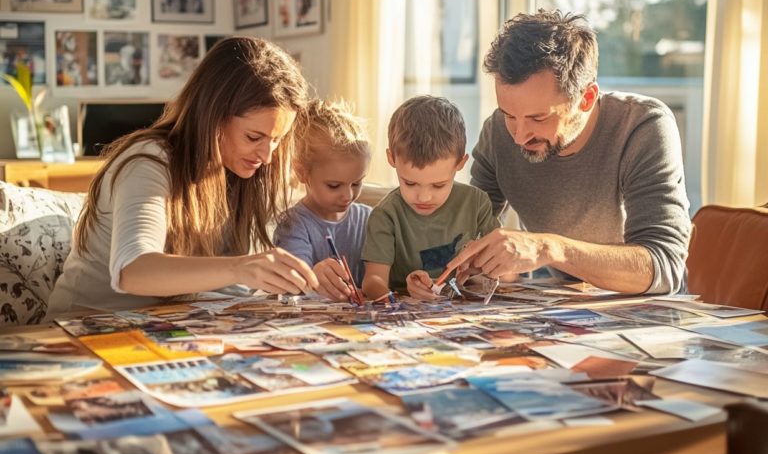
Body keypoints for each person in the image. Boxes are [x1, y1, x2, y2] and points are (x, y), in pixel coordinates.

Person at [48, 36, 319, 316]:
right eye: (254, 137)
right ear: (213, 115)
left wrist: (313, 273)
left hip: (174, 328)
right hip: (85, 327)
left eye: (277, 140)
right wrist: (240, 268)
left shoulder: (244, 170)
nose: (266, 156)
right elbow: (133, 271)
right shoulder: (148, 162)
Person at [447, 10, 691, 295]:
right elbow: (472, 237)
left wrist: (549, 248)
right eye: (509, 114)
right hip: (563, 311)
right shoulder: (498, 133)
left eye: (539, 118)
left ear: (586, 99)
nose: (519, 135)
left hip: (648, 316)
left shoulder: (642, 128)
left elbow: (664, 267)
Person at [361, 96, 499, 301]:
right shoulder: (386, 216)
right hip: (408, 315)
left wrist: (481, 267)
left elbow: (506, 272)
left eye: (438, 185)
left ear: (460, 163)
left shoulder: (477, 203)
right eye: (410, 183)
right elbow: (373, 281)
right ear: (392, 159)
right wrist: (394, 298)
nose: (424, 197)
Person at [273, 100, 372, 301]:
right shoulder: (293, 225)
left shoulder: (371, 219)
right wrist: (312, 277)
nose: (348, 196)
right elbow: (290, 285)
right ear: (302, 173)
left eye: (356, 183)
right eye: (334, 186)